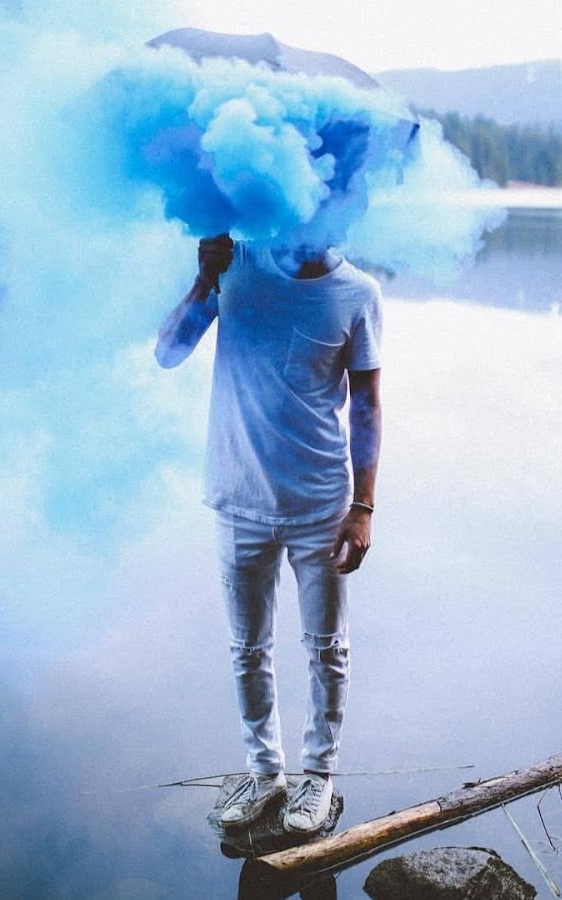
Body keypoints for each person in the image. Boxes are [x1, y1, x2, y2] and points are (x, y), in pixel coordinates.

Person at [155, 233, 383, 834]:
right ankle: (264, 773)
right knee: (247, 649)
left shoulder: (358, 293)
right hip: (238, 496)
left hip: (321, 505)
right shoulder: (237, 265)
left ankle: (318, 776)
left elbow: (366, 408)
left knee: (326, 647)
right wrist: (203, 282)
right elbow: (168, 353)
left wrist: (363, 506)